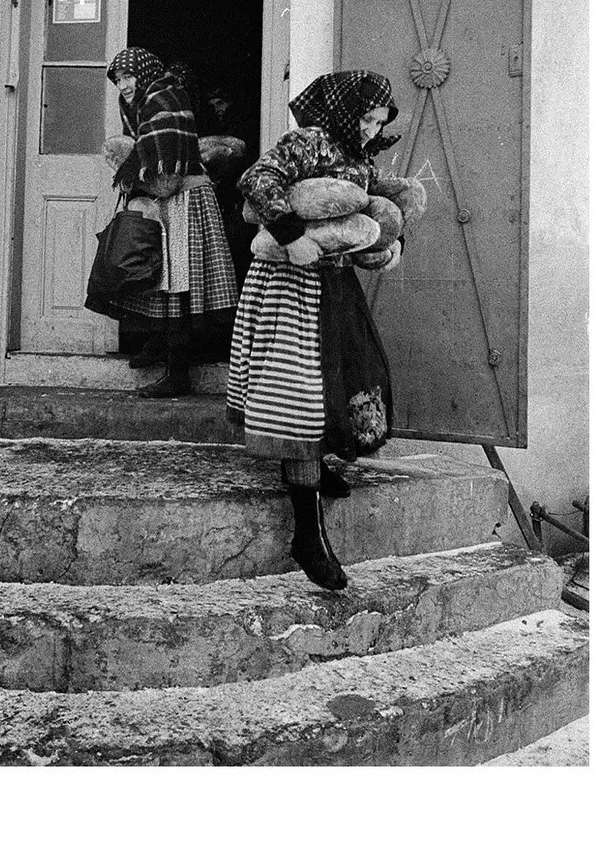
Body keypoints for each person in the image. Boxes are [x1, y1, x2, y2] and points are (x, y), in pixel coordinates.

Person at [227, 71, 403, 591]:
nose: (371, 130)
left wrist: (384, 246)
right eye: (366, 118)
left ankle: (320, 460)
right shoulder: (310, 141)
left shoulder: (357, 152)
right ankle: (308, 534)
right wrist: (291, 235)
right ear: (346, 112)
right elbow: (257, 181)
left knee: (339, 377)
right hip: (290, 281)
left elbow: (363, 213)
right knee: (299, 393)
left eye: (378, 121)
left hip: (334, 283)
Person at [91, 47, 237, 396]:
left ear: (143, 73)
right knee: (164, 283)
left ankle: (178, 375)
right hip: (173, 200)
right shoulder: (147, 102)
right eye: (118, 79)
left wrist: (129, 176)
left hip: (183, 201)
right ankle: (162, 351)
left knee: (176, 287)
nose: (123, 85)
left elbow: (167, 179)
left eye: (128, 76)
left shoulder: (163, 101)